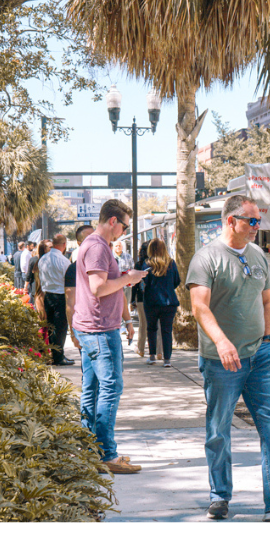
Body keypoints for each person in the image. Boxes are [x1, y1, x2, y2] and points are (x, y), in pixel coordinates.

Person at [186, 194, 270, 522]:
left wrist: (268, 341)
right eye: (252, 220)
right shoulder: (206, 258)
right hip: (221, 362)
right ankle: (219, 495)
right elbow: (199, 307)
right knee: (219, 429)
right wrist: (222, 342)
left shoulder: (257, 255)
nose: (258, 226)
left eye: (259, 220)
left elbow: (267, 301)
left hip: (261, 357)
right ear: (231, 221)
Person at [72, 199, 148, 474]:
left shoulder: (94, 245)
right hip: (100, 330)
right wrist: (129, 279)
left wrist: (126, 278)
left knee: (92, 390)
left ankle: (90, 450)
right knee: (111, 387)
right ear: (113, 221)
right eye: (124, 226)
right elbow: (98, 288)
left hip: (93, 328)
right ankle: (107, 454)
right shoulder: (97, 247)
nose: (124, 232)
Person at [140, 238, 180, 367]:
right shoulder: (171, 263)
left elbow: (144, 282)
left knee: (151, 328)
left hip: (151, 301)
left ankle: (152, 356)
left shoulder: (147, 264)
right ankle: (167, 359)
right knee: (166, 330)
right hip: (169, 301)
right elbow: (177, 281)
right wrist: (168, 288)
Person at [38, 233, 74, 366]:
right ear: (64, 245)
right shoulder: (64, 261)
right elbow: (68, 280)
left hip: (48, 295)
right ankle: (58, 357)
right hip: (60, 296)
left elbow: (41, 277)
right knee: (60, 328)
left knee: (51, 326)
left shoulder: (43, 259)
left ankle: (55, 355)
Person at [65, 224, 96, 348]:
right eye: (89, 238)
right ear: (79, 243)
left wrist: (128, 321)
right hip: (85, 328)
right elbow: (70, 303)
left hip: (109, 327)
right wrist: (73, 333)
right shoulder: (73, 269)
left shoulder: (108, 264)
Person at [131, 240, 160, 359]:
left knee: (143, 324)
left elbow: (135, 285)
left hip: (141, 297)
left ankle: (141, 349)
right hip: (156, 297)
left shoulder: (139, 265)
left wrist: (132, 300)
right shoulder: (158, 264)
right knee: (157, 324)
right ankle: (159, 351)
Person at [113, 240, 136, 339]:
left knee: (125, 305)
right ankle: (120, 325)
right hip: (115, 286)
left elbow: (132, 269)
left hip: (126, 285)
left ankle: (125, 323)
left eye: (119, 246)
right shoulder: (111, 257)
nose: (118, 247)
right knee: (117, 306)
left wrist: (132, 282)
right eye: (116, 246)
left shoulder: (128, 256)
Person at [25, 241, 51, 319]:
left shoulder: (34, 259)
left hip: (36, 287)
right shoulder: (50, 260)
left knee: (39, 310)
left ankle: (41, 323)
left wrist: (25, 287)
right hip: (45, 288)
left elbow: (29, 275)